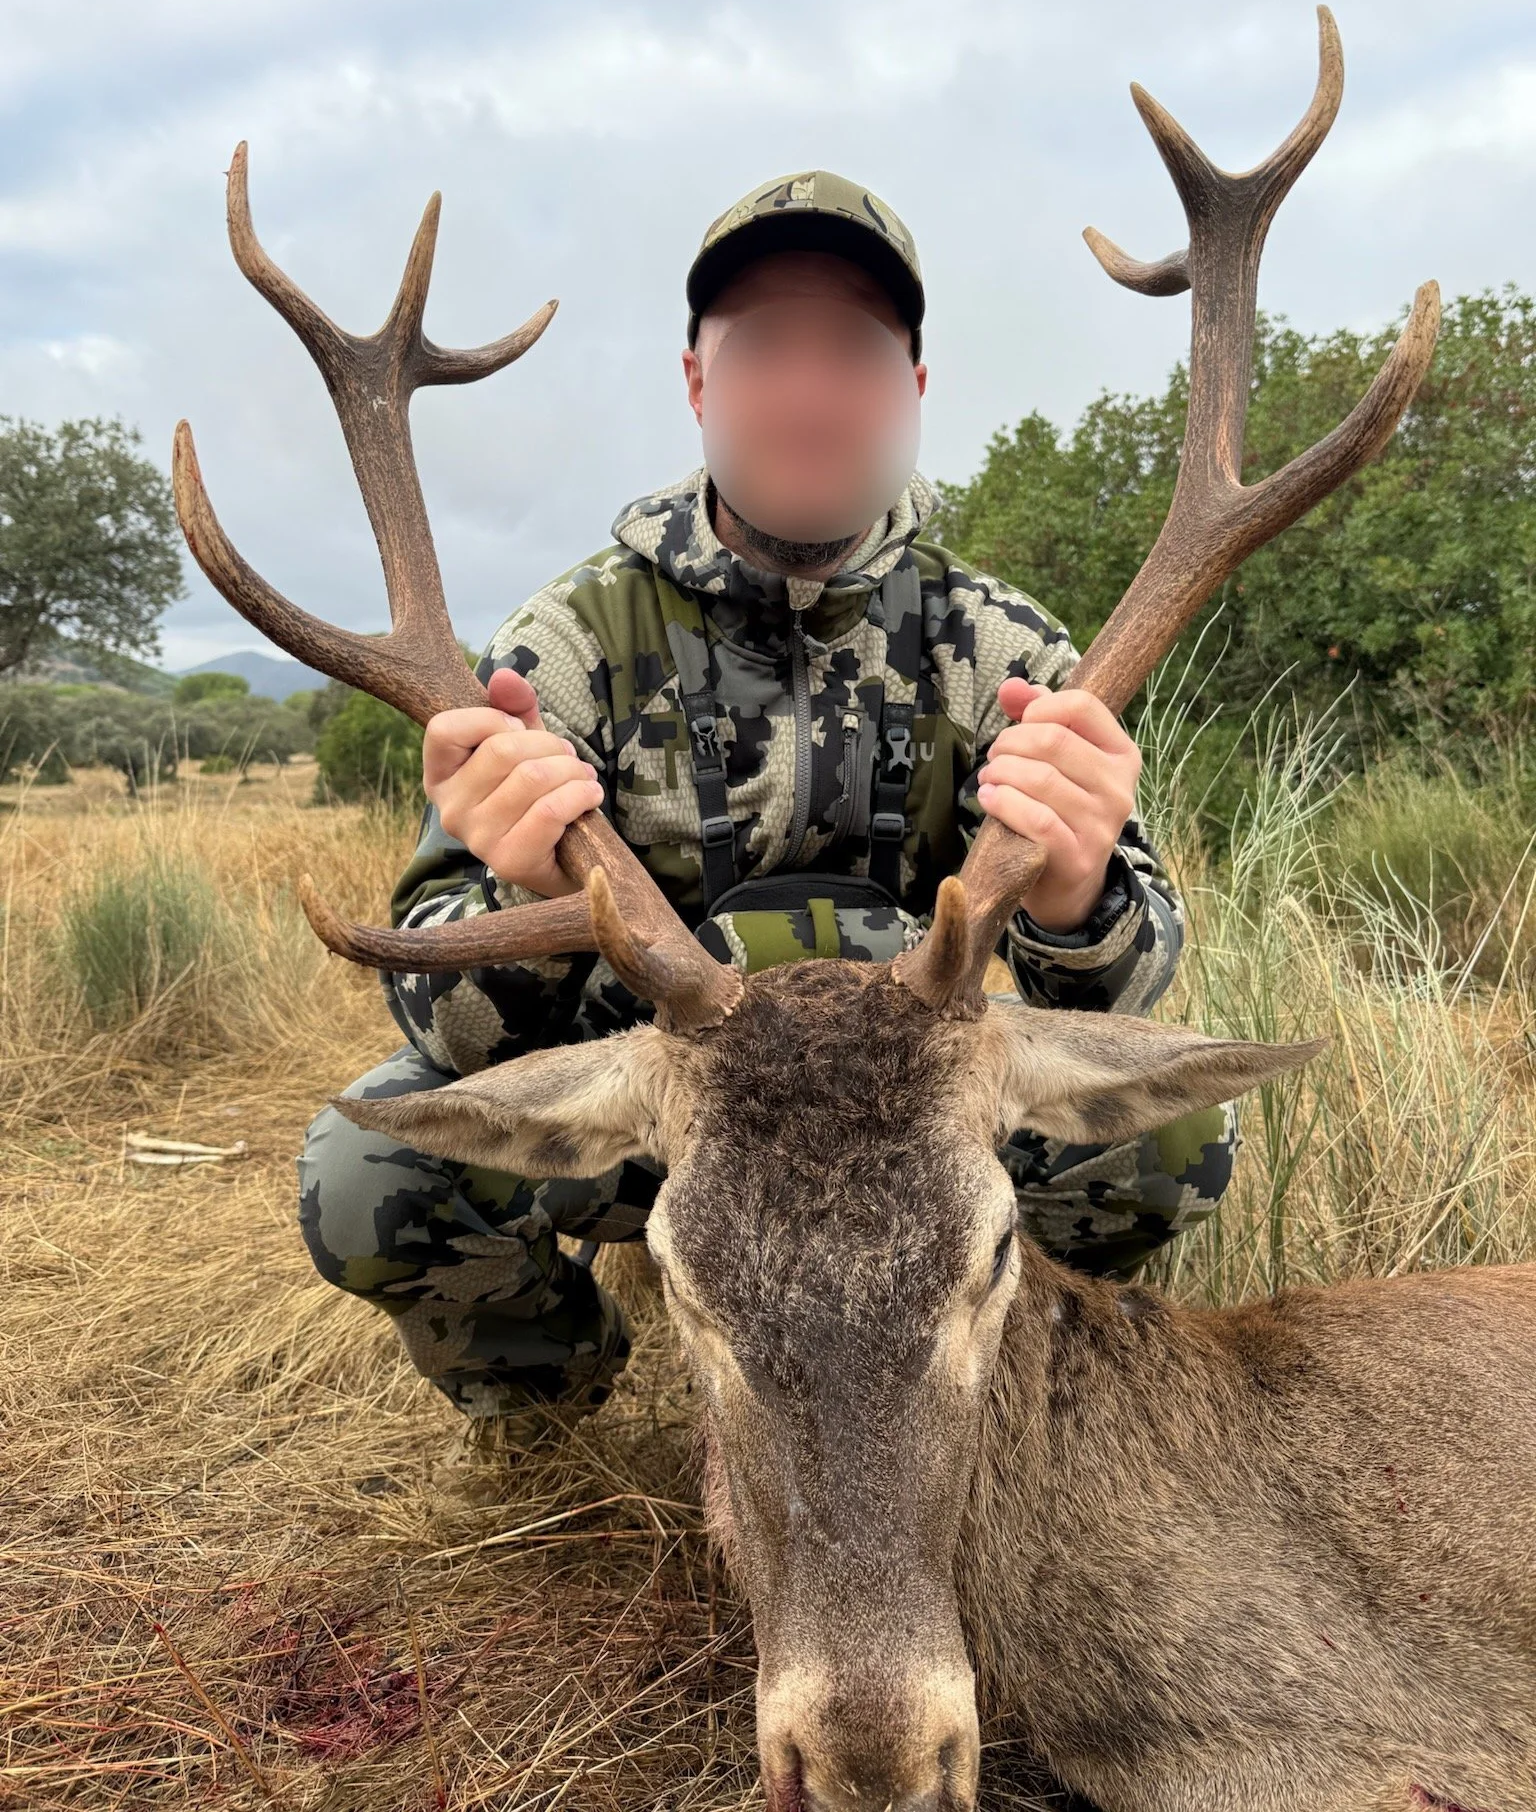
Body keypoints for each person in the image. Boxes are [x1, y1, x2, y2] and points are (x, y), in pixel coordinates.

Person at [297, 171, 1235, 1470]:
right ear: (699, 384)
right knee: (370, 1168)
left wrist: (1079, 897)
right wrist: (518, 906)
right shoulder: (565, 644)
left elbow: (1136, 981)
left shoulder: (999, 644)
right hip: (666, 1113)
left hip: (919, 1119)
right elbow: (442, 1020)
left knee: (1174, 1123)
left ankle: (979, 1412)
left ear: (910, 384)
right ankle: (552, 1422)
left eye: (851, 349)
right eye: (764, 350)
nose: (807, 391)